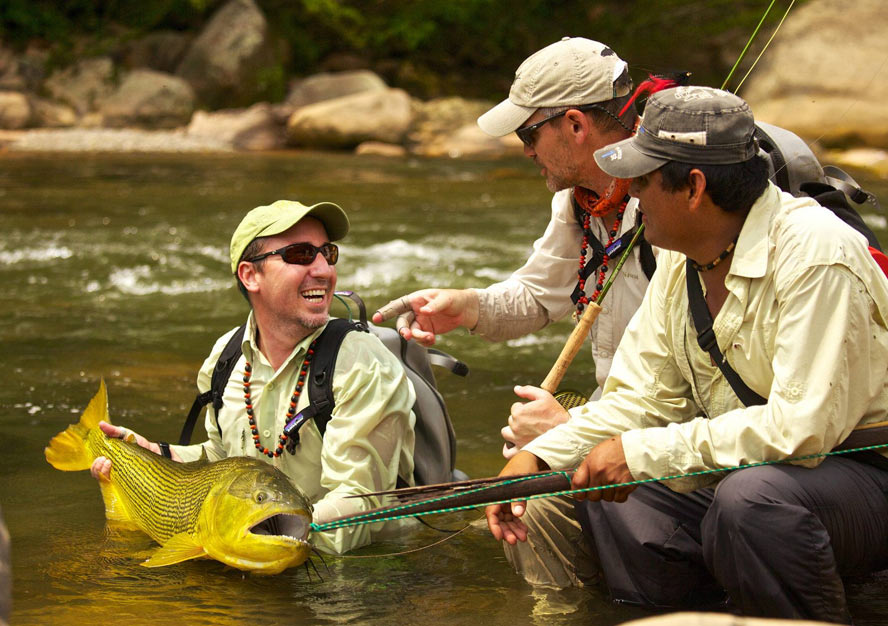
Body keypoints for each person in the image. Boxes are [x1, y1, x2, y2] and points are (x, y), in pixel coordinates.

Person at [485, 86, 888, 622]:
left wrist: (640, 452)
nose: (630, 194)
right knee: (589, 491)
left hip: (861, 471)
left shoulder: (817, 255)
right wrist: (538, 457)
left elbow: (802, 431)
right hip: (763, 471)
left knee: (751, 500)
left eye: (643, 181)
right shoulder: (681, 257)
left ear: (694, 187)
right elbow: (638, 399)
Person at [373, 37, 665, 587]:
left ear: (576, 126)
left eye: (529, 133)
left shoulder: (674, 208)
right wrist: (467, 307)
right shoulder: (582, 199)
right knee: (527, 502)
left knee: (534, 499)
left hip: (676, 431)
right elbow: (537, 297)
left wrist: (567, 428)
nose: (525, 150)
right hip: (623, 419)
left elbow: (695, 385)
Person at [91, 199, 417, 555]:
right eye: (301, 254)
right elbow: (222, 460)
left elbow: (360, 504)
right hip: (263, 549)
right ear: (250, 275)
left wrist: (265, 533)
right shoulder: (224, 359)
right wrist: (157, 455)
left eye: (327, 253)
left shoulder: (362, 364)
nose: (323, 269)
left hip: (368, 573)